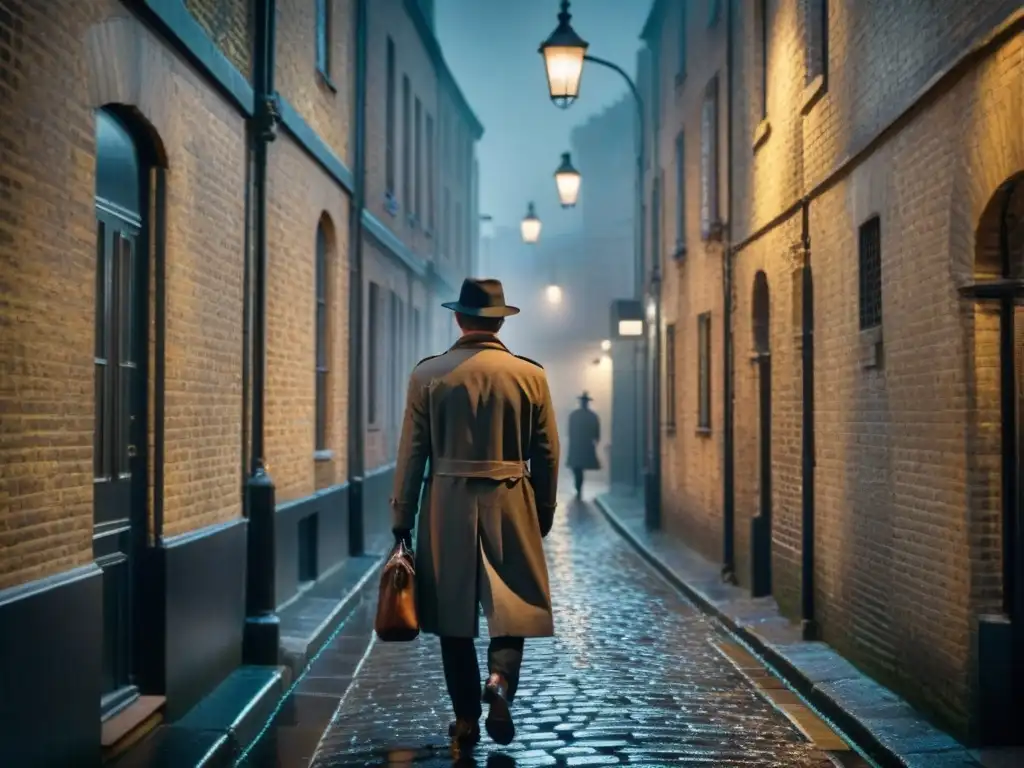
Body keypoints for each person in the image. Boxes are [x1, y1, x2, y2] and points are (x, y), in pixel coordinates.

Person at [390, 277, 560, 748]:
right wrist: (542, 510)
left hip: (447, 501)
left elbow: (412, 453)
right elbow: (546, 452)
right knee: (513, 605)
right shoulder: (531, 376)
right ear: (499, 321)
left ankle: (466, 718)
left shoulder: (429, 375)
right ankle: (500, 682)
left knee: (452, 612)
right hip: (511, 498)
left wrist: (402, 517)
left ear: (459, 318)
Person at [566, 392, 600, 499]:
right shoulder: (580, 415)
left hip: (581, 445)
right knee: (577, 468)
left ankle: (578, 487)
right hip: (579, 445)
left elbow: (596, 432)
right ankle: (578, 486)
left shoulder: (581, 415)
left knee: (578, 468)